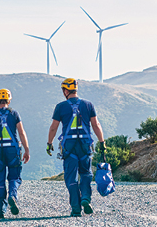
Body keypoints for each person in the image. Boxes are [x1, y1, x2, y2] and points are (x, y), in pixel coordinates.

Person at [46, 78, 106, 217]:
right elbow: (96, 125)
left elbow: (54, 128)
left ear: (66, 91)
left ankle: (76, 208)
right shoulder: (88, 105)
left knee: (71, 177)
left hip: (69, 147)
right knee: (86, 173)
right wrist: (102, 142)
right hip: (85, 145)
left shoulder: (61, 107)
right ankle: (85, 197)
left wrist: (49, 143)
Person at [0, 88, 30, 219]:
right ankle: (12, 196)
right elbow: (21, 132)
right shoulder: (14, 114)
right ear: (9, 100)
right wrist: (27, 150)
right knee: (14, 177)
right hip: (13, 150)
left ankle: (0, 211)